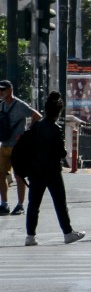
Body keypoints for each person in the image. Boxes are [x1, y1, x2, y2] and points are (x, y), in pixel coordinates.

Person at [15, 93, 84, 245]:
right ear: (58, 112)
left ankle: (30, 236)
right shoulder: (56, 129)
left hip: (35, 171)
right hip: (52, 172)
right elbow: (61, 152)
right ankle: (67, 233)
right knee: (60, 203)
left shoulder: (36, 127)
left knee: (33, 204)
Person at [0, 79, 41, 216]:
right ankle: (4, 203)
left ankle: (20, 205)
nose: (1, 92)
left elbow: (37, 116)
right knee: (1, 175)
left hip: (18, 147)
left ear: (10, 90)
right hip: (4, 145)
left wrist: (26, 134)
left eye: (3, 89)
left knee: (19, 176)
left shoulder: (20, 105)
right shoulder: (1, 106)